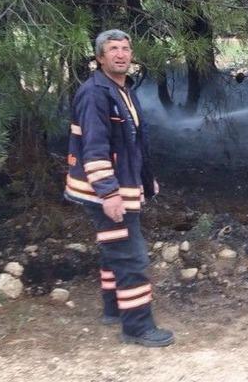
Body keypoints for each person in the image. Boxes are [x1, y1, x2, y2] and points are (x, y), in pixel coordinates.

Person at [64, 29, 174, 347]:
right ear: (100, 57)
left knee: (115, 250)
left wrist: (144, 178)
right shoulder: (95, 93)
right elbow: (94, 147)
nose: (121, 54)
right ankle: (137, 327)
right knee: (131, 257)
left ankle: (114, 310)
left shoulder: (121, 88)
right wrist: (109, 193)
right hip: (104, 191)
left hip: (119, 186)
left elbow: (132, 143)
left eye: (125, 48)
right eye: (113, 49)